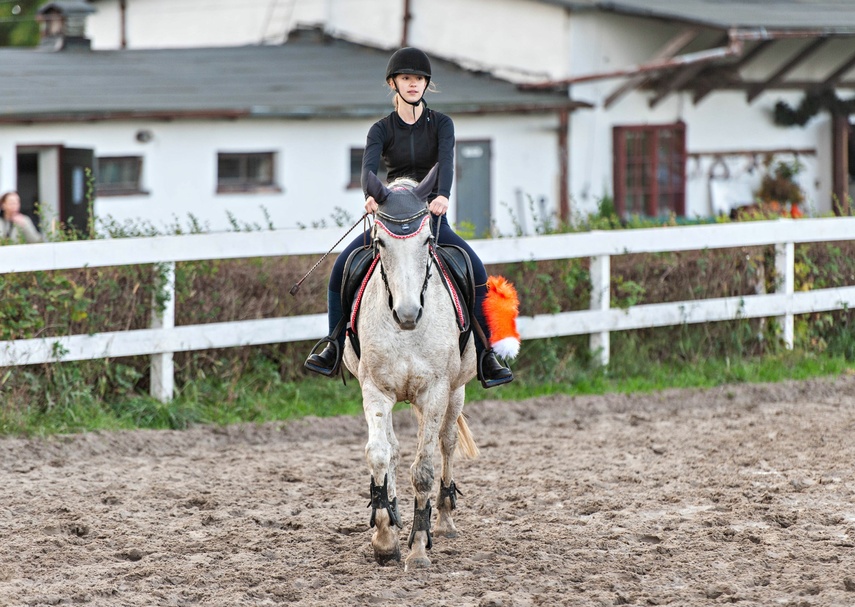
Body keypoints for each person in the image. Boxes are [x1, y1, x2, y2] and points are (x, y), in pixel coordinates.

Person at [305, 47, 513, 387]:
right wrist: (370, 196)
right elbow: (368, 170)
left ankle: (485, 354)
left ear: (426, 84)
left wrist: (443, 195)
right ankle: (333, 345)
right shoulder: (381, 129)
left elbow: (446, 162)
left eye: (418, 79)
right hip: (391, 216)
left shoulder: (442, 124)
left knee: (475, 269)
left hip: (430, 215)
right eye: (406, 78)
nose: (413, 84)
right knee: (342, 267)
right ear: (393, 83)